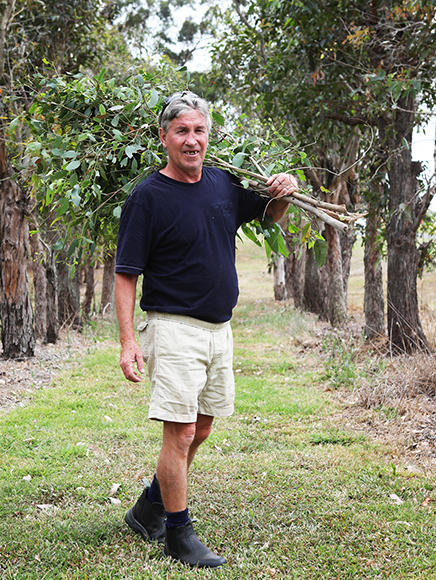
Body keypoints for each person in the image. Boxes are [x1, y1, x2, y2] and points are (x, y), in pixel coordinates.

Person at [115, 91, 296, 568]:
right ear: (164, 138)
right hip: (174, 327)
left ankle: (148, 508)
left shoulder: (221, 183)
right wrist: (130, 340)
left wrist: (283, 192)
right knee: (179, 434)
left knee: (203, 428)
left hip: (220, 329)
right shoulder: (147, 198)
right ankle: (179, 533)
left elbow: (266, 214)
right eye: (181, 131)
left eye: (198, 131)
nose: (191, 140)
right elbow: (125, 273)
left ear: (207, 136)